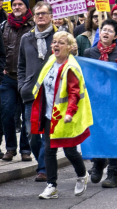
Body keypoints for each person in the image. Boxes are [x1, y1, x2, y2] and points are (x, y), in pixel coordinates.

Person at [31, 31, 92, 199]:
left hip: (65, 117)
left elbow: (74, 93)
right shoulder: (51, 61)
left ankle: (82, 175)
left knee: (70, 150)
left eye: (61, 42)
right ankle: (52, 186)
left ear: (70, 47)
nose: (56, 45)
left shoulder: (71, 68)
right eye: (54, 42)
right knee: (49, 150)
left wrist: (70, 113)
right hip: (49, 115)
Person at [83, 19, 117, 188]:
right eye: (104, 29)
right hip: (95, 101)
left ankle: (113, 172)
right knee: (96, 134)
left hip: (114, 102)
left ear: (115, 36)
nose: (106, 32)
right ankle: (97, 164)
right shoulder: (89, 53)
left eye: (110, 31)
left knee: (113, 136)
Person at [17, 1, 56, 182]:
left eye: (44, 13)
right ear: (33, 17)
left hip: (52, 93)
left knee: (48, 134)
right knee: (31, 134)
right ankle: (43, 163)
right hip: (31, 93)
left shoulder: (58, 37)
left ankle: (43, 168)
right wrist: (22, 85)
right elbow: (21, 66)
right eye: (37, 14)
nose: (40, 16)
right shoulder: (26, 38)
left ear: (51, 16)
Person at [1, 0, 34, 162]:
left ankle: (25, 150)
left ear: (26, 7)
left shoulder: (33, 27)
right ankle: (10, 148)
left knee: (26, 115)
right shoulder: (3, 26)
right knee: (6, 112)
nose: (16, 7)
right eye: (14, 4)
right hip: (7, 77)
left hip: (27, 78)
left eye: (20, 4)